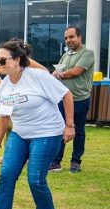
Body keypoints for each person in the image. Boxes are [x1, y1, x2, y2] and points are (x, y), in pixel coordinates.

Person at [0, 39, 75, 209]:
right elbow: (4, 117)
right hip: (20, 134)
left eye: (3, 60)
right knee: (7, 174)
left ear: (17, 59)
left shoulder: (38, 77)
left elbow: (66, 95)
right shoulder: (4, 86)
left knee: (35, 178)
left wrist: (69, 126)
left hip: (47, 133)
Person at [50, 26, 95, 173]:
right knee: (59, 130)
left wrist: (60, 74)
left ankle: (76, 162)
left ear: (79, 37)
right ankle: (56, 162)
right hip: (63, 99)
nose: (68, 40)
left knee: (79, 131)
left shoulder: (87, 53)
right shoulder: (66, 55)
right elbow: (58, 70)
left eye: (71, 37)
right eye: (66, 38)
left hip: (80, 99)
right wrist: (56, 72)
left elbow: (76, 72)